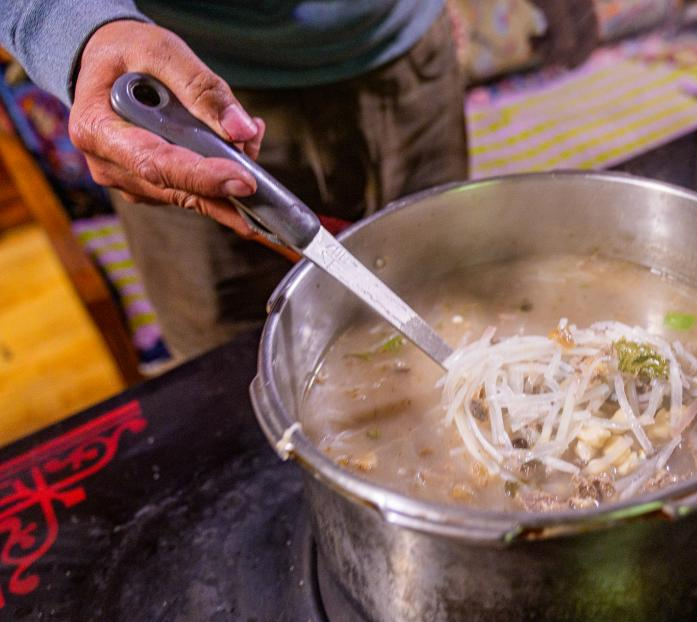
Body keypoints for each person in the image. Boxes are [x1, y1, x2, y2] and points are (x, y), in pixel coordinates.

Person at [1, 1, 468, 359]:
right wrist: (69, 27)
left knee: (449, 300)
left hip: (412, 53)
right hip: (184, 107)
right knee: (232, 375)